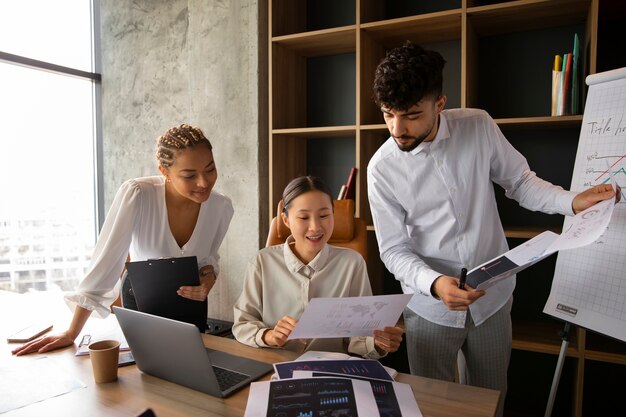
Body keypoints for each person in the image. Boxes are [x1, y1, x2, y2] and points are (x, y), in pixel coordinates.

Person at [366, 41, 617, 416]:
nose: (397, 129)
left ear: (440, 103)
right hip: (429, 307)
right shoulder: (381, 169)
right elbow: (393, 250)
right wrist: (435, 284)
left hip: (493, 299)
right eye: (388, 114)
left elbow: (520, 183)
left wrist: (571, 201)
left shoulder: (478, 125)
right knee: (434, 407)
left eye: (412, 115)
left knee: (491, 400)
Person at [12, 124, 234, 355]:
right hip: (141, 298)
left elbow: (208, 259)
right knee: (145, 375)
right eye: (189, 175)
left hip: (192, 304)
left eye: (210, 169)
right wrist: (71, 333)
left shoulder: (221, 206)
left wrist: (208, 280)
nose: (204, 182)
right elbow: (105, 264)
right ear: (164, 171)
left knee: (192, 371)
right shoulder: (138, 194)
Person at [232, 176, 403, 358]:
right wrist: (269, 335)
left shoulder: (352, 263)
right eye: (304, 217)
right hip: (275, 365)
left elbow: (359, 336)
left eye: (323, 216)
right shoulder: (262, 262)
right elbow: (242, 324)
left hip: (331, 369)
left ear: (333, 214)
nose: (315, 227)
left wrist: (378, 343)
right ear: (286, 220)